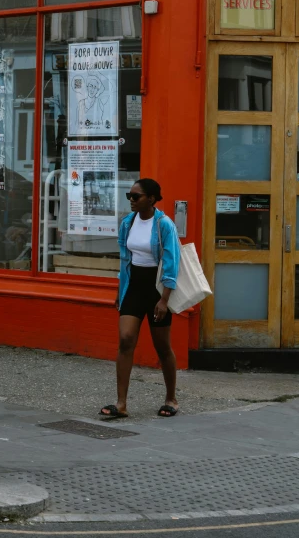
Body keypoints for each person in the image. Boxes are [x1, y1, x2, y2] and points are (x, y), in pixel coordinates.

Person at [100, 178, 181, 420]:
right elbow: (125, 260)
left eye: (136, 196)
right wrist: (119, 290)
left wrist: (164, 299)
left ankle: (171, 398)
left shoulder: (164, 225)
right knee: (125, 340)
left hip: (157, 290)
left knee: (162, 347)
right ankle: (121, 403)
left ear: (152, 199)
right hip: (133, 286)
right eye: (129, 196)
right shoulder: (128, 223)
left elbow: (171, 263)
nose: (132, 201)